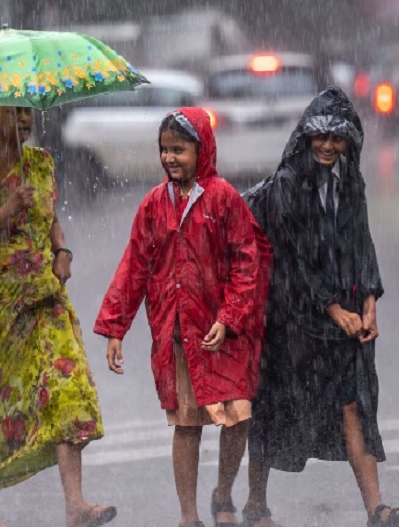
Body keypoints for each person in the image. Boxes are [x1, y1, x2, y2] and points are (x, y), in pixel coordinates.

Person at [241, 87, 399, 527]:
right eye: (319, 137)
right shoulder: (286, 186)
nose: (327, 146)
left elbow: (362, 243)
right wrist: (333, 309)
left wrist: (369, 301)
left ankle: (376, 508)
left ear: (349, 143)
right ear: (305, 137)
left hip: (343, 316)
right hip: (292, 318)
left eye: (336, 139)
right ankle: (254, 504)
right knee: (274, 406)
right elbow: (296, 256)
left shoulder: (349, 181)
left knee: (353, 403)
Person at [94, 108, 271, 527]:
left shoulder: (224, 199)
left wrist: (228, 317)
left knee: (237, 417)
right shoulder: (154, 205)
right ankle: (188, 517)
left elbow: (249, 263)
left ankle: (223, 492)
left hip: (225, 336)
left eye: (180, 149)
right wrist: (116, 327)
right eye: (165, 149)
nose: (171, 158)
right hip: (179, 335)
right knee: (187, 424)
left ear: (202, 149)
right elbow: (134, 266)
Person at [0, 106, 115, 527]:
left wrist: (62, 252)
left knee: (65, 385)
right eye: (14, 112)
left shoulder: (41, 163)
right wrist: (1, 217)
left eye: (28, 111)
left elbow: (52, 222)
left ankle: (75, 505)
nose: (24, 120)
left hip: (43, 296)